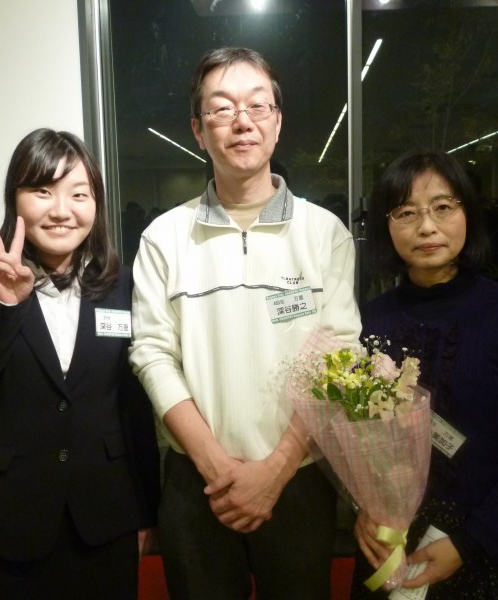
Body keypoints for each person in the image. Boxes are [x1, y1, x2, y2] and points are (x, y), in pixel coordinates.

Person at [129, 47, 362, 599]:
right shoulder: (164, 237)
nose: (242, 121)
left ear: (277, 123)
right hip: (196, 481)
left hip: (298, 478)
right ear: (198, 129)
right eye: (221, 108)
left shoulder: (324, 233)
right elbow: (152, 354)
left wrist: (276, 469)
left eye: (258, 106)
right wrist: (215, 467)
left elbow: (340, 355)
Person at [0, 128, 160, 600]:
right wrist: (1, 306)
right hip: (5, 521)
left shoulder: (122, 284)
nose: (61, 210)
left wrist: (147, 510)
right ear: (15, 199)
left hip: (105, 518)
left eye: (79, 194)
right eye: (42, 191)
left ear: (96, 204)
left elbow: (136, 409)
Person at [350, 149, 498, 599]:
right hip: (394, 541)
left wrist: (469, 543)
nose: (426, 227)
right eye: (406, 212)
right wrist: (364, 508)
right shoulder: (369, 321)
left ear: (468, 213)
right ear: (387, 227)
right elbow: (358, 444)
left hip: (490, 543)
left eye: (443, 207)